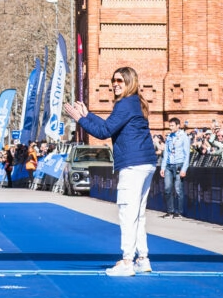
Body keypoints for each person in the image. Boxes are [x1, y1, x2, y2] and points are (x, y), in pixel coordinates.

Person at [65, 65, 158, 277]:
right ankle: (142, 259)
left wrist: (80, 119)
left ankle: (127, 261)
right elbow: (111, 125)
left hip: (133, 163)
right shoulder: (135, 103)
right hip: (146, 162)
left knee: (127, 211)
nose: (115, 85)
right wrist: (88, 115)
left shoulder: (125, 104)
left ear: (129, 83)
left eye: (120, 81)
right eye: (113, 81)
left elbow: (104, 131)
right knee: (138, 213)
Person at [160, 117, 190, 217]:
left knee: (178, 190)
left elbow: (187, 155)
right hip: (169, 165)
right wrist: (163, 167)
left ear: (178, 126)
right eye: (170, 125)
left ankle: (179, 212)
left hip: (179, 165)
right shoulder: (169, 137)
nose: (170, 128)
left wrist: (184, 169)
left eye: (172, 126)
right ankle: (170, 211)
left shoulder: (184, 137)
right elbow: (166, 153)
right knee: (167, 188)